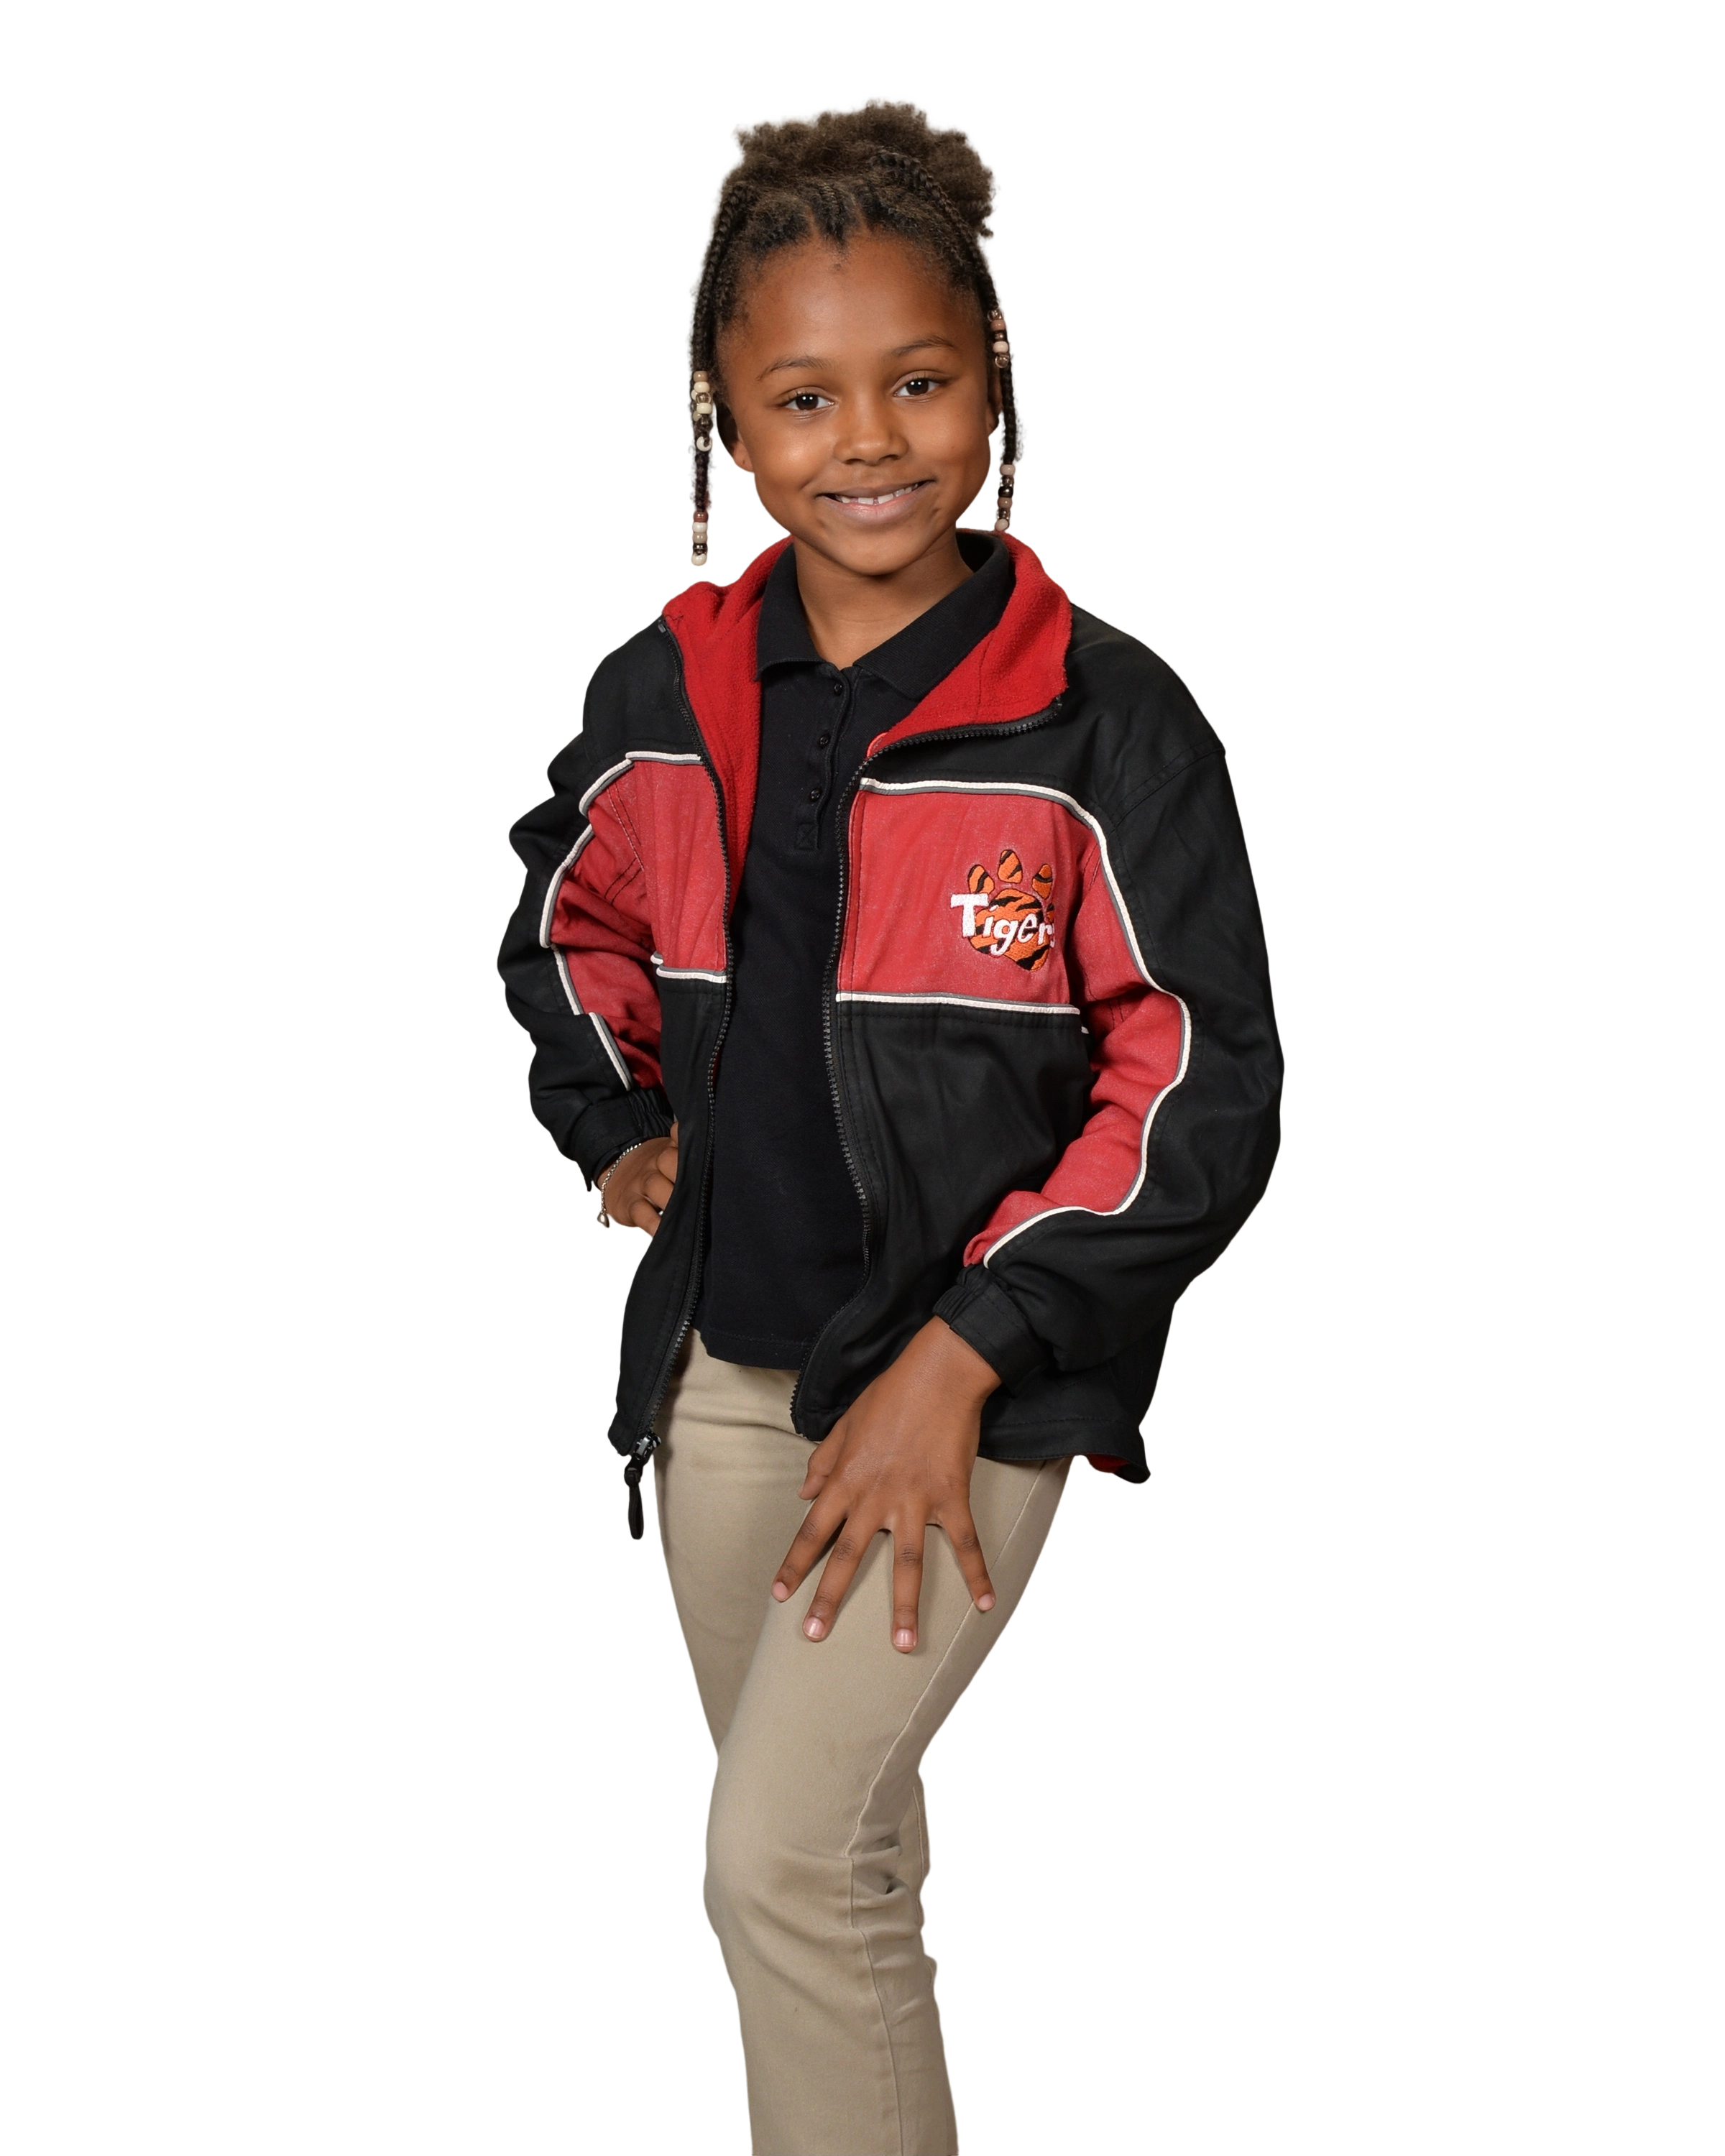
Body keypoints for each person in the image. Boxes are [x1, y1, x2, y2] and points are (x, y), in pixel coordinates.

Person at [497, 92, 1282, 2156]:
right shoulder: (662, 688)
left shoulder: (1107, 720)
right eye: (805, 396)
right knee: (827, 1887)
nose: (870, 440)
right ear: (728, 425)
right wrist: (614, 1125)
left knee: (780, 1867)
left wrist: (971, 1350)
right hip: (727, 1377)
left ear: (994, 381)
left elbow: (1197, 1088)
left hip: (961, 1388)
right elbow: (562, 914)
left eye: (919, 380)